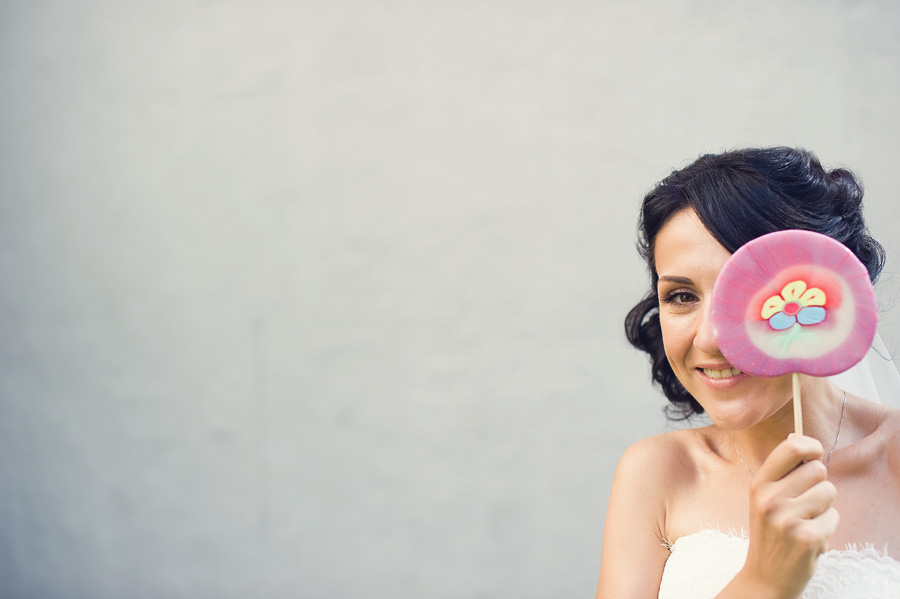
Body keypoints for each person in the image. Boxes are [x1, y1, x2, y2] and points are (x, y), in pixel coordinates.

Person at [595, 147, 900, 599]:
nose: (710, 339)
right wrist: (763, 580)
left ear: (819, 297)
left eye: (749, 293)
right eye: (681, 296)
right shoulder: (657, 473)